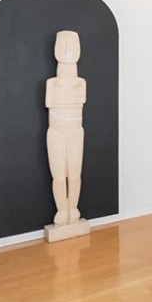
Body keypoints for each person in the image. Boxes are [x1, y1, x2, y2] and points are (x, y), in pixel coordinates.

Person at [46, 30, 87, 226]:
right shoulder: (52, 83)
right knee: (59, 176)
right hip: (56, 131)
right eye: (63, 44)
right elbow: (49, 104)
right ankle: (62, 210)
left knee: (75, 173)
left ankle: (73, 208)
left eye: (72, 44)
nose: (68, 48)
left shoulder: (81, 83)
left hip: (75, 131)